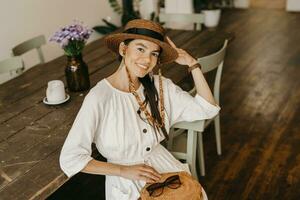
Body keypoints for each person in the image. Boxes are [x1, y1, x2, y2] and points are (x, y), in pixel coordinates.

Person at [59, 19, 220, 200]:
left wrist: (192, 64)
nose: (147, 60)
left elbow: (208, 109)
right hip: (125, 182)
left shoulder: (160, 86)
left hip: (165, 170)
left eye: (154, 54)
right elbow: (71, 158)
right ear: (123, 49)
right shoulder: (100, 97)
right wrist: (123, 170)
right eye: (140, 49)